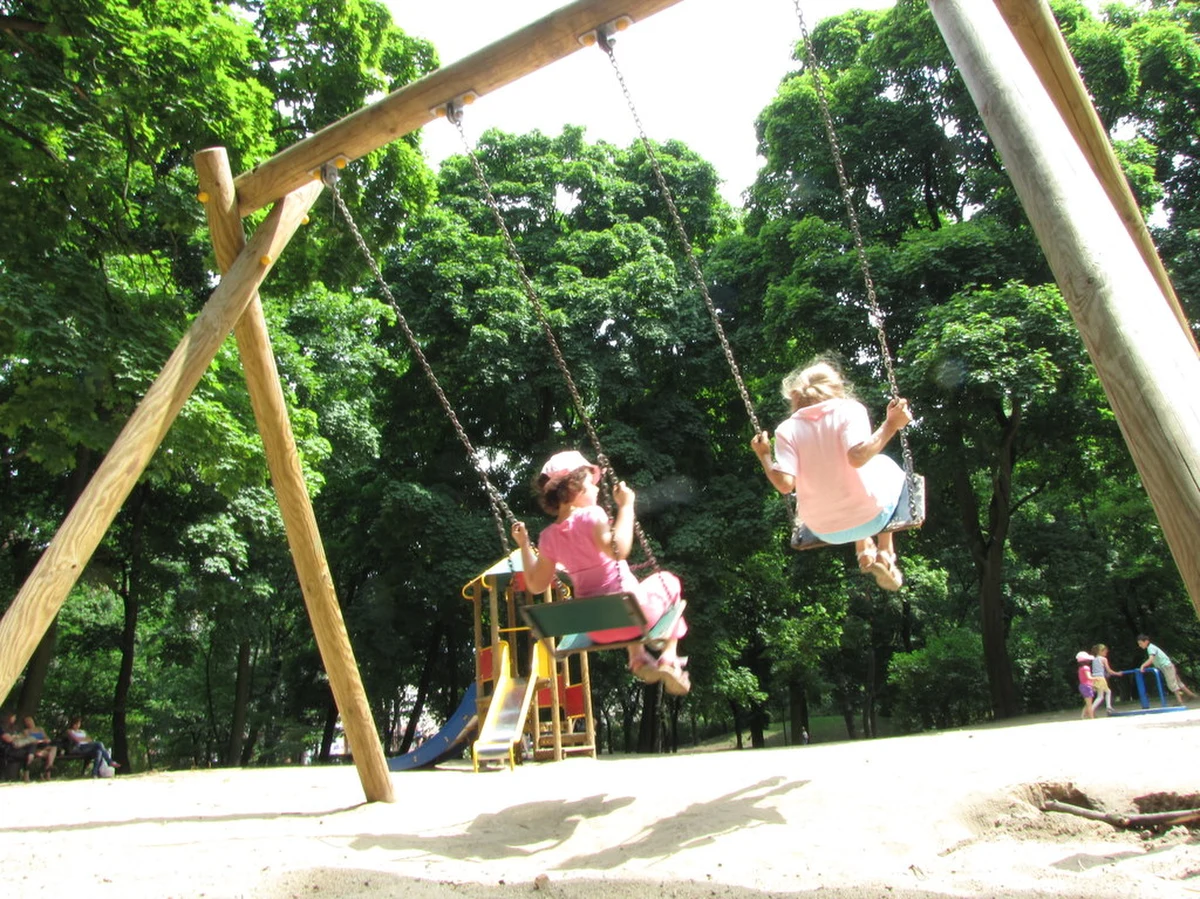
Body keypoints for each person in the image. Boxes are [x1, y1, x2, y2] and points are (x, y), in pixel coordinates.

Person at [512, 450, 690, 695]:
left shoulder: (548, 538)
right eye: (591, 483)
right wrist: (627, 507)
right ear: (575, 488)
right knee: (668, 581)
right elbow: (620, 549)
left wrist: (523, 546)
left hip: (599, 629)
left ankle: (638, 658)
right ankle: (668, 657)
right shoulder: (591, 516)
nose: (597, 489)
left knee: (622, 602)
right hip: (636, 614)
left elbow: (535, 585)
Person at [751, 359, 913, 591]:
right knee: (884, 465)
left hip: (824, 529)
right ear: (837, 388)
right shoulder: (849, 409)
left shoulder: (786, 429)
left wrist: (764, 455)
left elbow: (785, 485)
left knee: (844, 479)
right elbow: (857, 457)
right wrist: (891, 424)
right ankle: (885, 551)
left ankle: (864, 550)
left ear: (795, 396)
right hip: (872, 517)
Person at [1137, 635, 1196, 706]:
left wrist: (1143, 665)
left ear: (1146, 641)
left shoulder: (1150, 648)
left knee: (1172, 684)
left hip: (1166, 666)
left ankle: (1180, 702)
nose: (1140, 645)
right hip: (1168, 665)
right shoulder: (1151, 647)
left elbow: (1151, 659)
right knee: (1177, 682)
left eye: (1140, 643)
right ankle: (1191, 695)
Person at [1089, 644, 1122, 715]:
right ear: (1101, 651)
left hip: (1095, 678)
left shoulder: (1094, 659)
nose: (1106, 654)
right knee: (1100, 696)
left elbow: (1098, 670)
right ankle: (1091, 710)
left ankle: (1108, 707)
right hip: (1101, 678)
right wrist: (1117, 673)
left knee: (1108, 692)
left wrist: (1106, 674)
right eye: (1105, 652)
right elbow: (1109, 670)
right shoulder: (1104, 659)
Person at [22, 715, 57, 780]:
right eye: (27, 721)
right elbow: (30, 740)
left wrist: (47, 739)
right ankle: (47, 774)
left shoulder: (40, 729)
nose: (29, 722)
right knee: (49, 755)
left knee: (54, 748)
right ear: (25, 723)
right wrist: (41, 740)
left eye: (30, 720)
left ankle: (49, 766)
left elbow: (46, 737)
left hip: (44, 746)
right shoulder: (26, 731)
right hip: (35, 747)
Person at [1076, 651, 1096, 719]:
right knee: (1089, 704)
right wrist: (1097, 678)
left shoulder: (1081, 668)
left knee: (1088, 703)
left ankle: (1083, 716)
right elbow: (1089, 677)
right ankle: (1091, 717)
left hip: (1083, 686)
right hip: (1087, 686)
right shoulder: (1086, 668)